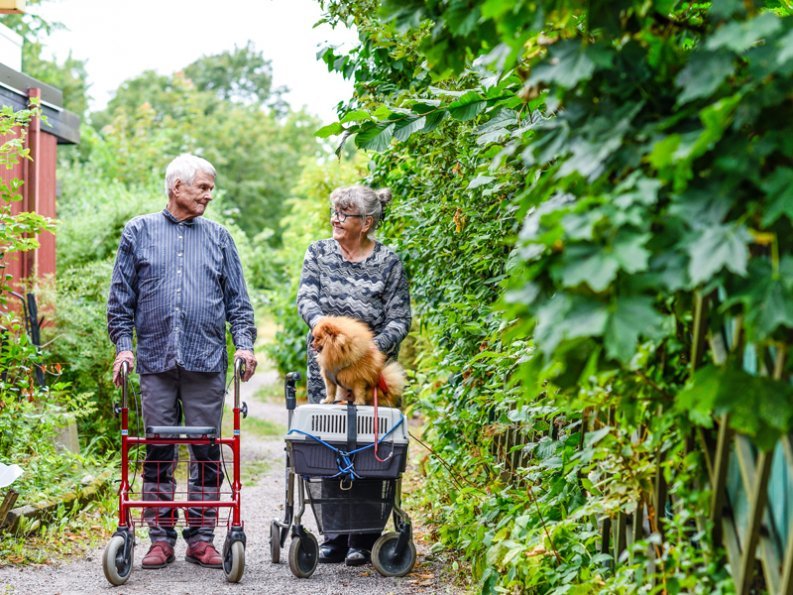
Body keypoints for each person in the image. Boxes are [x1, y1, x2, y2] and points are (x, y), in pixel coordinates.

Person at [107, 154, 258, 570]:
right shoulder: (138, 231)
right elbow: (120, 303)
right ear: (177, 187)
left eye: (211, 188)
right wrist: (124, 347)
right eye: (203, 187)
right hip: (155, 361)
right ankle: (159, 538)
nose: (210, 194)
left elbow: (239, 306)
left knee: (206, 451)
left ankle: (202, 538)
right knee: (157, 450)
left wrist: (243, 345)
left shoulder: (220, 237)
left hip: (205, 361)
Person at [297, 184, 411, 566]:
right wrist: (325, 332)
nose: (334, 219)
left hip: (368, 375)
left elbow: (400, 317)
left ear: (367, 223)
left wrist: (371, 351)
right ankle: (334, 536)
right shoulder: (318, 253)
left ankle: (364, 537)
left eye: (343, 215)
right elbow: (307, 300)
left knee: (370, 453)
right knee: (329, 451)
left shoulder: (388, 262)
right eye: (334, 212)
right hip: (327, 373)